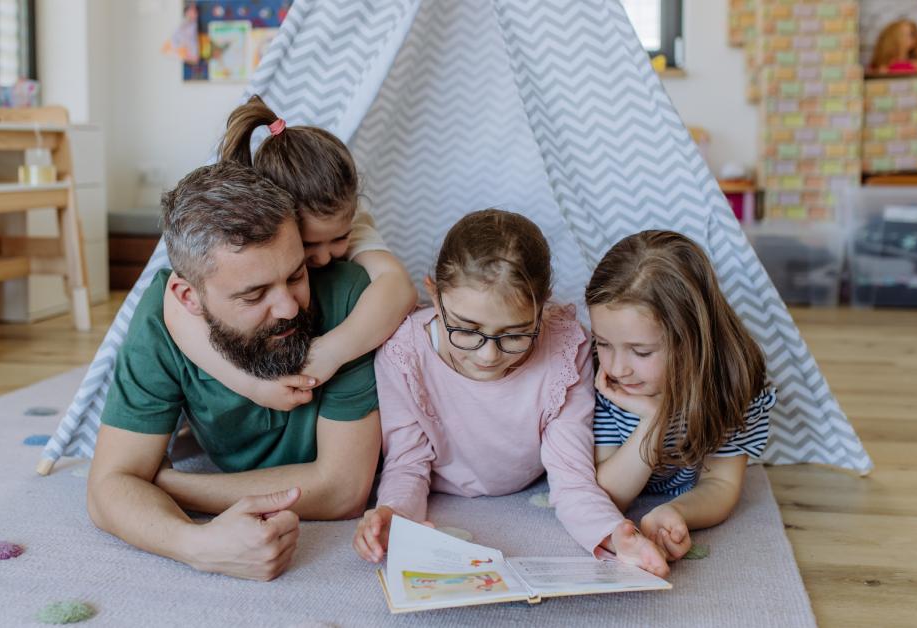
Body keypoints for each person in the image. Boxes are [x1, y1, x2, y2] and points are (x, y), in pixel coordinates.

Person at [87, 161, 381, 579]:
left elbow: (343, 490)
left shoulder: (350, 299)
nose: (288, 307)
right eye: (254, 294)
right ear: (188, 298)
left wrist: (171, 484)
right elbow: (107, 488)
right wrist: (196, 545)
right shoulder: (159, 320)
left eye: (296, 274)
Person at [352, 209, 670, 577]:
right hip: (438, 491)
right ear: (435, 297)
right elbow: (407, 462)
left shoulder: (566, 347)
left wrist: (614, 534)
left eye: (516, 334)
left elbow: (571, 473)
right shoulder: (403, 353)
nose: (488, 355)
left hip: (531, 483)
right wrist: (395, 514)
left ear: (542, 309)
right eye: (466, 330)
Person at [165, 95, 417, 411]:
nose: (325, 258)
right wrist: (252, 386)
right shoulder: (244, 230)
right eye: (310, 245)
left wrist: (331, 352)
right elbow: (175, 307)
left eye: (340, 238)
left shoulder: (345, 214)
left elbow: (398, 285)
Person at [588, 230, 776, 562]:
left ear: (691, 341)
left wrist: (677, 511)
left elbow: (720, 483)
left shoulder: (732, 384)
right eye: (603, 343)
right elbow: (608, 495)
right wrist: (654, 419)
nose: (617, 367)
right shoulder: (603, 382)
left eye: (641, 352)